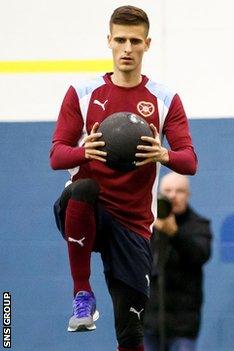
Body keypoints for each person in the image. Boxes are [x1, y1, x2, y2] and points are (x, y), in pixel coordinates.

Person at [50, 6, 197, 351]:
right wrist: (85, 151)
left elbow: (190, 161)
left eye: (134, 41)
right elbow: (56, 155)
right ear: (109, 42)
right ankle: (82, 294)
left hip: (133, 225)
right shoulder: (83, 94)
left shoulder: (164, 99)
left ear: (147, 44)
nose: (127, 48)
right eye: (120, 40)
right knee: (82, 188)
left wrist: (162, 154)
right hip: (87, 211)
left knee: (131, 334)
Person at [143, 172, 212, 351]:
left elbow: (200, 254)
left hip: (183, 326)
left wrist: (174, 233)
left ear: (188, 195)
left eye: (179, 191)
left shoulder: (199, 225)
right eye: (167, 190)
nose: (173, 196)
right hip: (149, 322)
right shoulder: (146, 225)